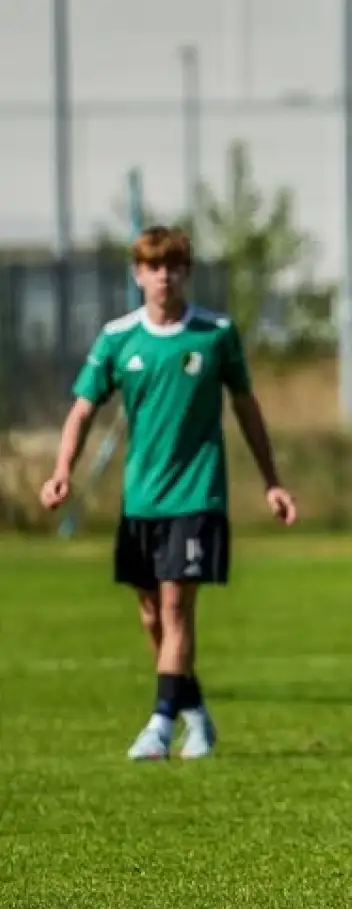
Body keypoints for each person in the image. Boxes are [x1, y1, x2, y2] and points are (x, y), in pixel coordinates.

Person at [40, 225, 297, 761]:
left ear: (186, 273)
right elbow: (83, 408)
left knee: (177, 608)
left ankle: (158, 724)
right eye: (154, 267)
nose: (164, 276)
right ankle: (195, 713)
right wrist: (63, 469)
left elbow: (248, 409)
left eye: (174, 266)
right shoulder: (117, 338)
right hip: (141, 500)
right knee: (152, 615)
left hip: (198, 495)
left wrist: (272, 481)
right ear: (138, 274)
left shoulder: (216, 333)